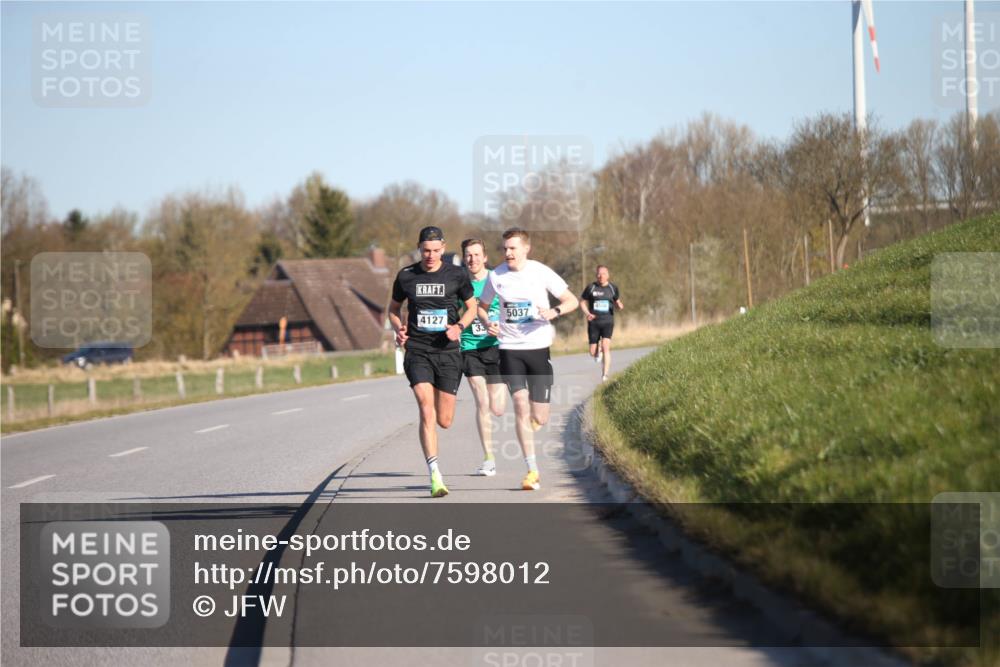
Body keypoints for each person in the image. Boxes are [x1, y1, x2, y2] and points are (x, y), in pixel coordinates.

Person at [479, 228, 579, 491]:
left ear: (526, 249)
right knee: (520, 405)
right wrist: (488, 321)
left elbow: (572, 301)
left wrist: (554, 311)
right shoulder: (496, 275)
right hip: (510, 348)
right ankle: (531, 470)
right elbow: (482, 305)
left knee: (540, 416)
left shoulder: (540, 271)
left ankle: (534, 425)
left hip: (538, 347)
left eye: (512, 248)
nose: (508, 253)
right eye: (505, 248)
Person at [388, 226, 477, 497]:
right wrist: (398, 328)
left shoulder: (457, 274)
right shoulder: (406, 276)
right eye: (425, 251)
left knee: (445, 420)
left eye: (436, 250)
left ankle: (435, 463)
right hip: (418, 350)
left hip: (448, 352)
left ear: (443, 248)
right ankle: (435, 474)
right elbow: (393, 308)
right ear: (419, 248)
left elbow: (472, 307)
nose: (430, 255)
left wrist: (459, 327)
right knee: (426, 410)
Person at [460, 238, 508, 477]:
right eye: (468, 255)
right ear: (463, 258)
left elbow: (512, 307)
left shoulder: (496, 280)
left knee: (498, 408)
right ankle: (489, 459)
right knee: (482, 403)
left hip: (496, 346)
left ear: (485, 257)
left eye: (477, 254)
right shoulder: (460, 283)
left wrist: (501, 325)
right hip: (470, 348)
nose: (473, 259)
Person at [580, 265, 624, 382]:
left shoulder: (612, 288)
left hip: (607, 322)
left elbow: (617, 301)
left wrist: (619, 305)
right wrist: (587, 313)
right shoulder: (591, 287)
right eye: (599, 274)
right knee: (592, 352)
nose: (601, 276)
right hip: (594, 323)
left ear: (608, 275)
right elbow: (582, 303)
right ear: (596, 275)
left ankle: (605, 375)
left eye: (603, 274)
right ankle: (597, 350)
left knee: (606, 347)